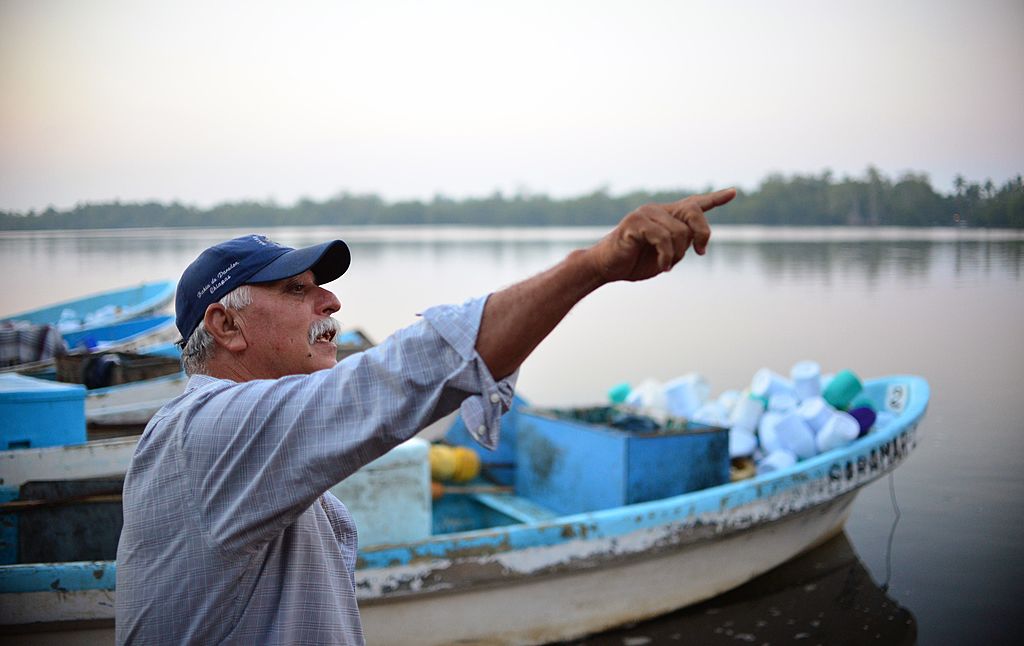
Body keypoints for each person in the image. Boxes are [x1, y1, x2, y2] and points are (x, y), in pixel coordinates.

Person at [114, 187, 736, 644]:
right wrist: (590, 268)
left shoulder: (230, 432)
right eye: (297, 291)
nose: (330, 300)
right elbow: (390, 383)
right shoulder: (208, 433)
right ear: (225, 326)